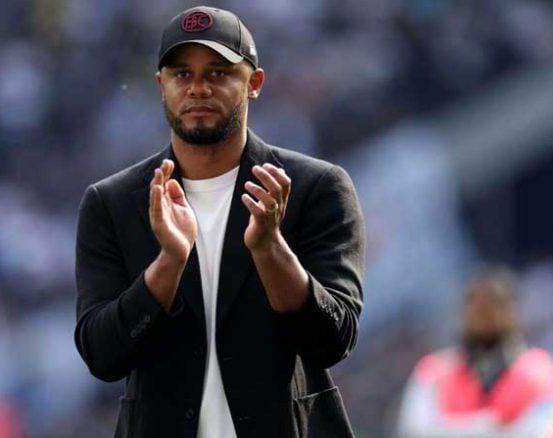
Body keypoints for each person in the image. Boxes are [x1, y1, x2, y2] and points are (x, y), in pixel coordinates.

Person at [74, 6, 366, 437]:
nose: (198, 88)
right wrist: (169, 263)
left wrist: (270, 248)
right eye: (182, 74)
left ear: (255, 83)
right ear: (161, 85)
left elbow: (333, 341)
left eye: (218, 73)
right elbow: (101, 355)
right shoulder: (112, 203)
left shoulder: (315, 187)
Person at [397, 267, 553, 437]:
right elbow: (414, 430)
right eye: (474, 302)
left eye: (493, 303)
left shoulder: (545, 376)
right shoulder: (436, 372)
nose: (483, 312)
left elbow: (540, 433)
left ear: (514, 311)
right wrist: (488, 426)